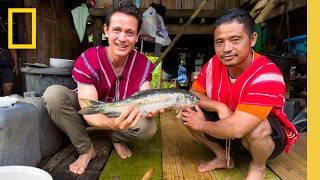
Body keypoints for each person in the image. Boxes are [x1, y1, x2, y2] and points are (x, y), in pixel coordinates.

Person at [181, 8, 299, 180]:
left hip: (262, 139)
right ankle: (224, 157)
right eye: (219, 42)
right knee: (188, 110)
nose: (226, 48)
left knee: (257, 129)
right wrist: (218, 106)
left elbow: (237, 129)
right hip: (227, 127)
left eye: (235, 40)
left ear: (252, 39)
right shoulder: (214, 64)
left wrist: (202, 125)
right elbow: (192, 93)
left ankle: (258, 167)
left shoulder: (267, 74)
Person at [43, 1, 158, 175]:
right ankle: (86, 149)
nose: (122, 38)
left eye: (129, 33)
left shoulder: (142, 63)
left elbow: (145, 94)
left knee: (149, 128)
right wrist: (112, 124)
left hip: (122, 113)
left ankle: (115, 137)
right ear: (106, 30)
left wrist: (151, 108)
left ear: (137, 36)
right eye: (117, 30)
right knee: (54, 95)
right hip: (88, 112)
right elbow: (89, 109)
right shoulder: (89, 58)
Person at [0, 15, 18, 96]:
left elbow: (13, 50)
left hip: (6, 65)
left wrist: (16, 65)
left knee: (8, 88)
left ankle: (6, 107)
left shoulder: (6, 35)